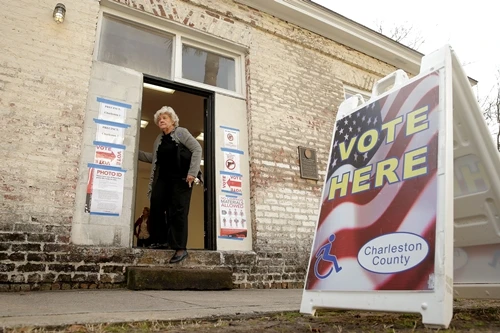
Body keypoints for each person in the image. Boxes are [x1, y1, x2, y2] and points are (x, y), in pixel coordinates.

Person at [138, 106, 202, 264]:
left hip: (181, 179)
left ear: (173, 121)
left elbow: (197, 149)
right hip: (163, 179)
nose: (161, 120)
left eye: (165, 118)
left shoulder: (181, 132)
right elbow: (155, 158)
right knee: (157, 206)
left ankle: (180, 248)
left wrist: (192, 173)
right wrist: (135, 152)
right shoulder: (158, 139)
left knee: (178, 212)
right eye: (159, 119)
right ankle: (160, 240)